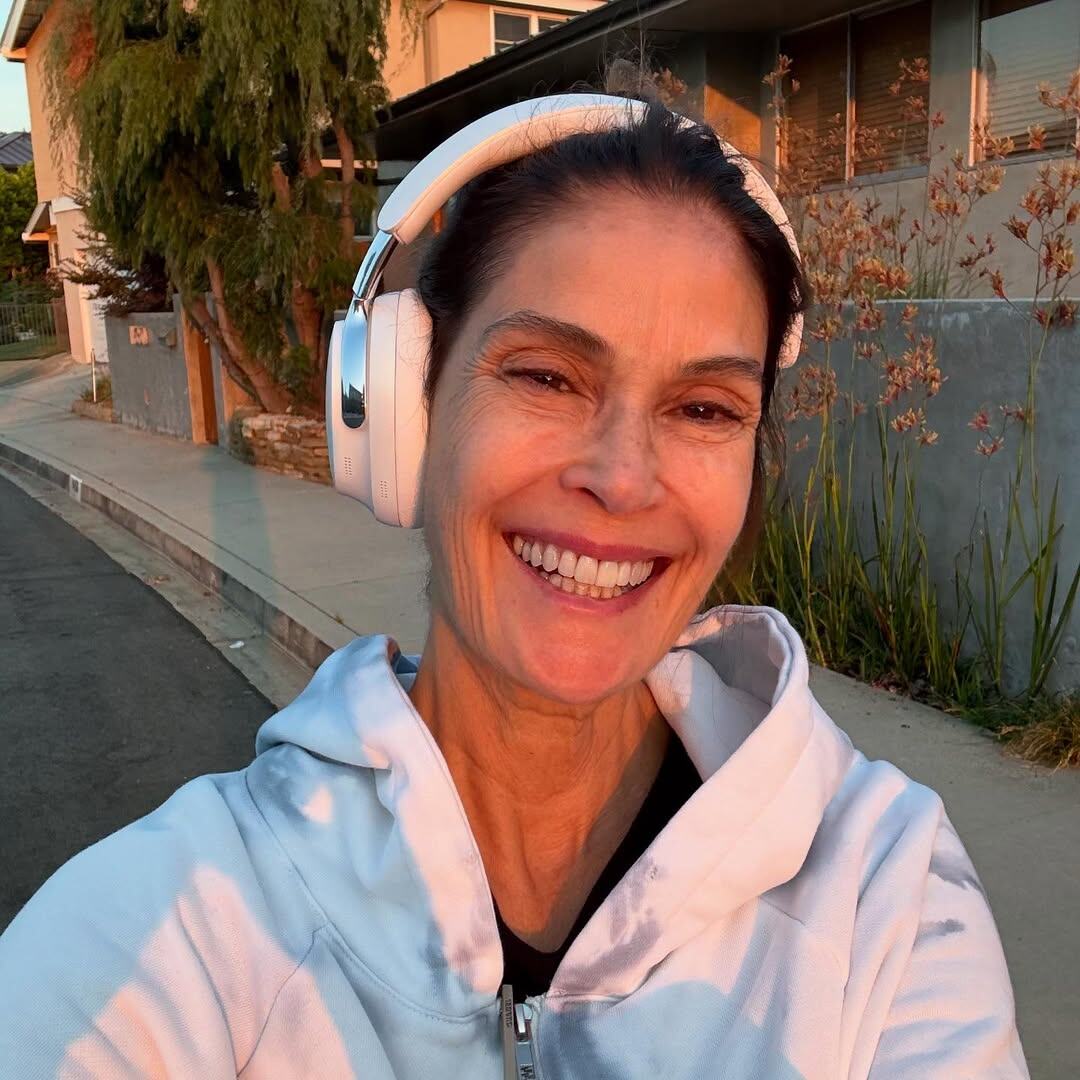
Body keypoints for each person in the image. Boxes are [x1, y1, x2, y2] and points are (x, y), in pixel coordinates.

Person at [0, 94, 1028, 1079]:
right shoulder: (170, 930)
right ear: (404, 410)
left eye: (704, 409)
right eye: (545, 377)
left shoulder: (888, 898)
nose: (622, 478)